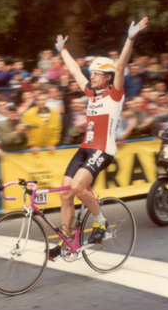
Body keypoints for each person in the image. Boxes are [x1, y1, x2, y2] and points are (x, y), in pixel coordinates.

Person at [51, 17, 148, 260]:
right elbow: (74, 70)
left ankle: (101, 223)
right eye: (91, 73)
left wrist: (130, 38)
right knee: (65, 192)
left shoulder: (115, 94)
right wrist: (62, 50)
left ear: (106, 77)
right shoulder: (91, 93)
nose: (91, 77)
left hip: (103, 150)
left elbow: (122, 65)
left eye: (96, 74)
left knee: (77, 187)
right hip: (85, 147)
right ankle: (67, 240)